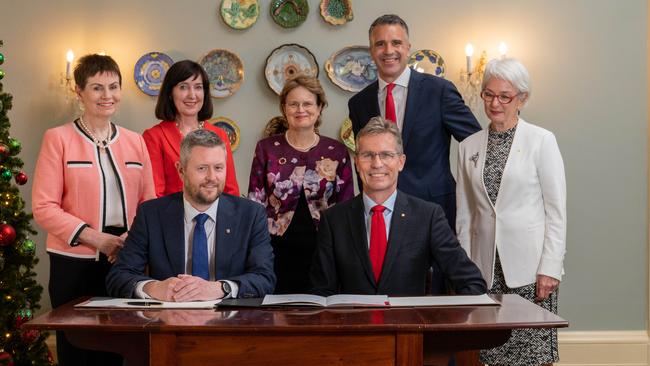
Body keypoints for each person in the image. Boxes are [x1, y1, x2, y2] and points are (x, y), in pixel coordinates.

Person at [32, 54, 155, 366]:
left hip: (125, 257)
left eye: (113, 87)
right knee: (78, 348)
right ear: (79, 92)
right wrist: (98, 240)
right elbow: (44, 207)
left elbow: (149, 204)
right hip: (74, 260)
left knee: (121, 347)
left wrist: (127, 241)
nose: (107, 95)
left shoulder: (135, 141)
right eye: (97, 88)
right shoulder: (58, 139)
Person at [348, 14, 481, 294]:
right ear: (371, 50)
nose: (389, 50)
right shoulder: (359, 102)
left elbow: (476, 145)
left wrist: (473, 202)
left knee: (436, 296)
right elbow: (367, 160)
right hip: (382, 213)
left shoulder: (439, 91)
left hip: (434, 211)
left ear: (408, 47)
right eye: (380, 44)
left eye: (396, 42)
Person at [456, 58, 566, 366]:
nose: (495, 103)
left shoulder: (541, 141)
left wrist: (551, 267)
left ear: (522, 98)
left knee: (532, 355)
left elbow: (556, 211)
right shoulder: (467, 146)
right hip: (484, 269)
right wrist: (464, 270)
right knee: (488, 354)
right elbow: (465, 216)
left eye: (505, 96)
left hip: (531, 270)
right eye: (488, 94)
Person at [310, 117, 486, 297]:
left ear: (401, 162)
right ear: (356, 162)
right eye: (367, 155)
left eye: (386, 155)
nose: (377, 163)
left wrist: (440, 322)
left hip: (411, 324)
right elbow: (321, 292)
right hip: (354, 324)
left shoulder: (428, 216)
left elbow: (472, 283)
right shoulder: (333, 220)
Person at [107, 129, 275, 300]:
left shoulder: (251, 214)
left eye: (218, 168)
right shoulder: (150, 214)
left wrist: (220, 288)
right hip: (169, 320)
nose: (212, 177)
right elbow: (119, 277)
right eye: (202, 168)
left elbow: (265, 278)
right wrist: (153, 287)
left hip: (229, 321)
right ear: (181, 170)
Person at [248, 75, 353, 293]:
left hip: (324, 248)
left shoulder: (336, 151)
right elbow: (255, 202)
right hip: (275, 248)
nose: (300, 110)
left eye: (307, 103)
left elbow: (346, 206)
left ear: (320, 107)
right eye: (293, 104)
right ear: (284, 108)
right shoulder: (266, 148)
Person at [143, 60, 239, 198]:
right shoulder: (154, 137)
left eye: (198, 87)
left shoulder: (220, 135)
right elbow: (155, 196)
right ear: (170, 93)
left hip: (216, 218)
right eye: (183, 87)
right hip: (171, 217)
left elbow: (231, 192)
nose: (192, 95)